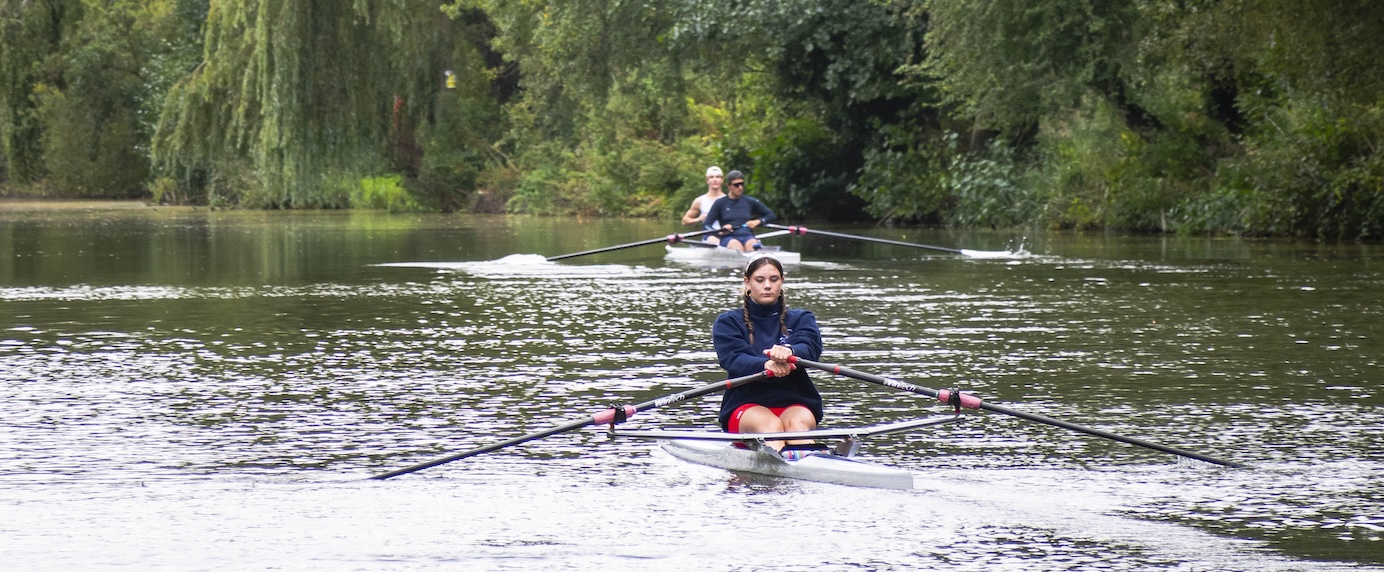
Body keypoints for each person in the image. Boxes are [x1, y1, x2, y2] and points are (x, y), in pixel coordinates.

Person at [712, 253, 826, 460]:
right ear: (747, 282)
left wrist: (790, 354)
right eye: (760, 280)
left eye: (774, 280)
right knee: (771, 426)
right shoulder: (728, 322)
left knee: (797, 426)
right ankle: (787, 465)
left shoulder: (801, 318)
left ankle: (814, 465)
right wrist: (767, 365)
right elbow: (733, 359)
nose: (767, 286)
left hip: (795, 403)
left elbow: (810, 348)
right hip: (745, 406)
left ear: (782, 282)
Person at [705, 170, 776, 251]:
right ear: (728, 186)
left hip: (747, 235)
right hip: (728, 237)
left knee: (752, 245)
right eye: (736, 185)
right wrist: (720, 232)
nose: (740, 187)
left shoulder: (750, 201)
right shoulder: (720, 203)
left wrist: (758, 221)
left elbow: (771, 215)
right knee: (737, 247)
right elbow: (706, 225)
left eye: (742, 184)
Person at [681, 166, 726, 243]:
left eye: (717, 177)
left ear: (722, 180)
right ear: (707, 180)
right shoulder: (699, 201)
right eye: (711, 177)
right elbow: (684, 221)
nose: (715, 179)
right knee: (714, 240)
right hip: (709, 236)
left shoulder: (729, 200)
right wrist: (697, 219)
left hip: (726, 235)